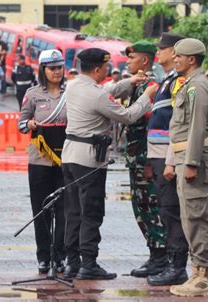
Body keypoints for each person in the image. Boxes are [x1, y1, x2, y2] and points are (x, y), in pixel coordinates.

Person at [61, 48, 157, 280]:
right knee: (91, 212)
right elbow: (128, 116)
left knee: (73, 211)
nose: (107, 71)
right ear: (97, 69)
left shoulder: (72, 85)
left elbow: (104, 89)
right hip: (89, 159)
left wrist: (129, 82)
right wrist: (147, 96)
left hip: (70, 155)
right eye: (104, 67)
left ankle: (72, 262)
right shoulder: (97, 95)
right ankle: (89, 263)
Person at [164, 38, 208, 297]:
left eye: (179, 56)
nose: (175, 60)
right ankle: (196, 271)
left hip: (193, 159)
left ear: (192, 59)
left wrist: (192, 163)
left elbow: (196, 128)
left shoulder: (198, 86)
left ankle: (202, 277)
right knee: (189, 217)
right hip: (184, 156)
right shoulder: (189, 85)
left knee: (196, 218)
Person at [110, 40, 167, 279]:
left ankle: (161, 256)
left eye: (132, 59)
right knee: (141, 207)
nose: (128, 62)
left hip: (146, 159)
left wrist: (149, 161)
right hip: (137, 157)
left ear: (144, 60)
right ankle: (155, 254)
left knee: (150, 207)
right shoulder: (139, 85)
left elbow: (153, 126)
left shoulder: (152, 86)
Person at [18, 49, 67, 274]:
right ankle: (44, 256)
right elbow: (21, 123)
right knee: (41, 209)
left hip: (66, 160)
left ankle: (60, 255)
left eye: (59, 67)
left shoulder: (71, 92)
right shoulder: (33, 94)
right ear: (43, 70)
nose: (57, 72)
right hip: (40, 160)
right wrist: (28, 125)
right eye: (52, 68)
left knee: (64, 209)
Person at [146, 32, 189, 286]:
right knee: (165, 208)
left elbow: (178, 124)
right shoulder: (167, 80)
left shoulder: (178, 82)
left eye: (161, 49)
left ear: (174, 52)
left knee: (172, 210)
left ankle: (177, 265)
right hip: (158, 154)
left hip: (169, 155)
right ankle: (172, 263)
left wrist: (171, 159)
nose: (157, 53)